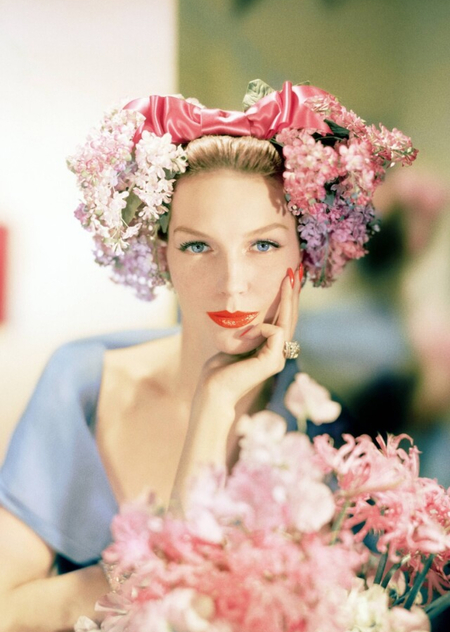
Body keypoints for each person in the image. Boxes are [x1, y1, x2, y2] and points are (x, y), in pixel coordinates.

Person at [0, 80, 416, 632]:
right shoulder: (82, 382)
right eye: (198, 245)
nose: (232, 284)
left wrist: (217, 402)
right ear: (163, 255)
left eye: (263, 244)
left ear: (305, 255)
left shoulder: (329, 439)